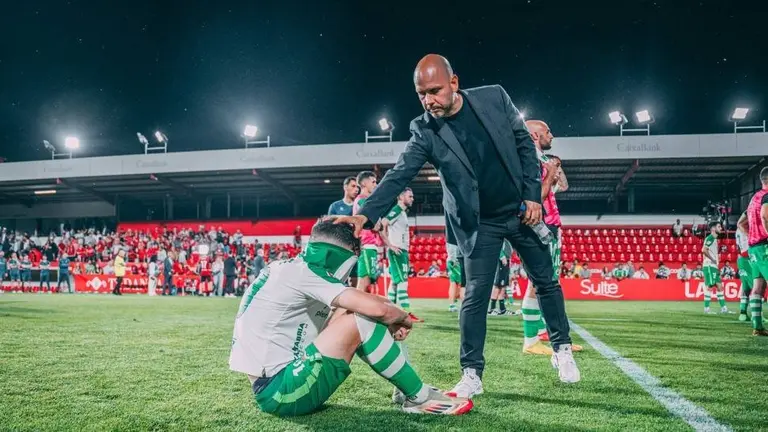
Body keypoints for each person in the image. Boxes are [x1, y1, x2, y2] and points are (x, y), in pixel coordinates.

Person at [333, 54, 579, 394]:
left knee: (546, 281)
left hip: (521, 210)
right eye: (421, 94)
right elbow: (400, 173)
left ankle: (561, 349)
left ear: (454, 83)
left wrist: (532, 195)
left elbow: (524, 145)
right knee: (474, 295)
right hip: (479, 223)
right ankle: (471, 374)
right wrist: (365, 214)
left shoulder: (494, 97)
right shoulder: (424, 129)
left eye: (434, 91)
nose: (428, 100)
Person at [229, 219, 472, 416]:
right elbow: (378, 310)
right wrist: (402, 317)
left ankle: (406, 391)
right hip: (281, 392)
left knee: (361, 315)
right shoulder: (308, 273)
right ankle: (418, 397)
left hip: (275, 384)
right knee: (366, 318)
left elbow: (353, 311)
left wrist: (388, 318)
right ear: (343, 255)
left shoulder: (289, 268)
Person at [740, 168, 768, 336]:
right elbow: (765, 217)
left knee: (757, 287)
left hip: (754, 248)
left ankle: (757, 326)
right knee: (758, 287)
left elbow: (741, 224)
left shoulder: (753, 199)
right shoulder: (766, 196)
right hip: (765, 246)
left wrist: (753, 236)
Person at [352, 171, 384, 294]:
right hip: (366, 244)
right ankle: (357, 310)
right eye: (373, 182)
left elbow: (378, 226)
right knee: (364, 280)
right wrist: (377, 224)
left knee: (367, 280)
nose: (376, 184)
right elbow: (376, 226)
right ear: (364, 184)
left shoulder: (366, 201)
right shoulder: (362, 201)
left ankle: (360, 310)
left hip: (369, 245)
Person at [383, 188, 414, 309]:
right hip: (397, 250)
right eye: (410, 196)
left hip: (402, 250)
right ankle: (406, 312)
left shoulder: (402, 212)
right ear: (401, 197)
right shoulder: (396, 210)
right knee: (403, 281)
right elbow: (383, 224)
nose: (412, 199)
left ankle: (389, 310)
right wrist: (389, 245)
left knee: (395, 281)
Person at [328, 176, 360, 287]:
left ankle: (353, 303)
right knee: (338, 280)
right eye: (353, 186)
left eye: (358, 187)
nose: (356, 189)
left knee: (355, 280)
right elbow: (330, 228)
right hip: (340, 248)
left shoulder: (360, 206)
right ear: (345, 187)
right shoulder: (335, 206)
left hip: (355, 248)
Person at [702, 222, 729, 314]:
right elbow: (704, 250)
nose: (721, 228)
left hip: (714, 266)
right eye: (719, 226)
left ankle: (724, 308)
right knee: (709, 286)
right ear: (713, 229)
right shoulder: (710, 238)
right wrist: (712, 259)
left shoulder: (715, 239)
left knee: (719, 287)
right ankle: (706, 309)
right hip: (709, 265)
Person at [735, 214, 753, 321]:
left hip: (741, 258)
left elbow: (738, 247)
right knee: (756, 286)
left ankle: (743, 312)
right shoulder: (746, 228)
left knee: (746, 287)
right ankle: (758, 315)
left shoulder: (738, 230)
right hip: (748, 257)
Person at [488, 239, 512, 316]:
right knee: (497, 285)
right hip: (501, 261)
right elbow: (496, 244)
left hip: (507, 260)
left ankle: (502, 309)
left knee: (503, 286)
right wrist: (502, 256)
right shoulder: (502, 235)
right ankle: (491, 309)